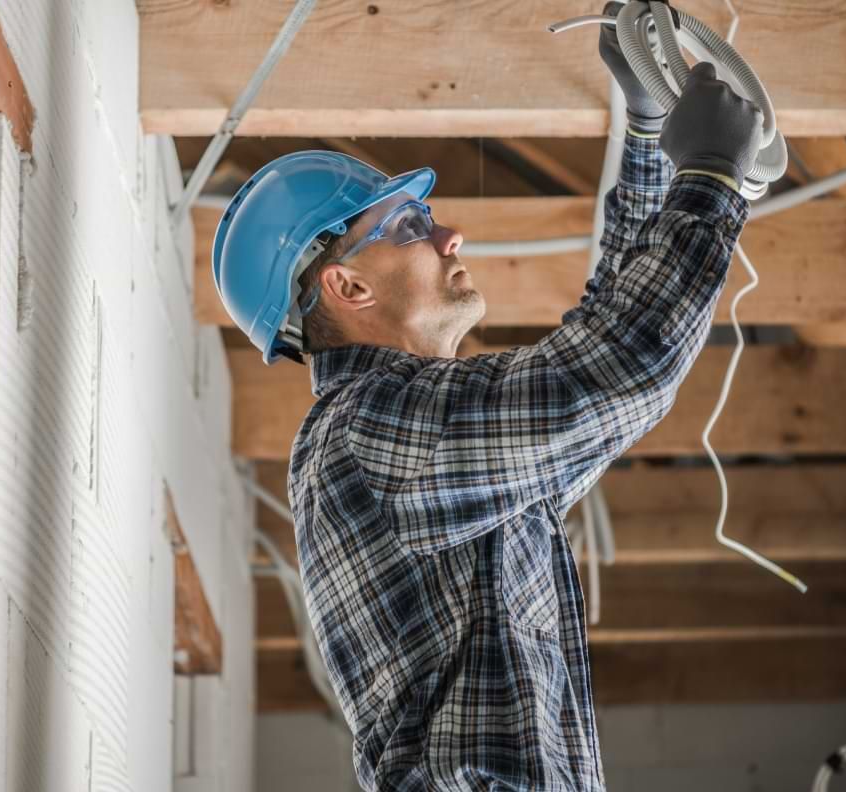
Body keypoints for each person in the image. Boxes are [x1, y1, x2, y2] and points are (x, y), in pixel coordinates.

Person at [210, 7, 763, 789]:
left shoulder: (428, 450)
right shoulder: (368, 432)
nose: (449, 239)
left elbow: (605, 335)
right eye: (409, 226)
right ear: (348, 284)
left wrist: (649, 133)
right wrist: (707, 177)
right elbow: (617, 370)